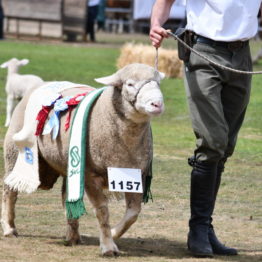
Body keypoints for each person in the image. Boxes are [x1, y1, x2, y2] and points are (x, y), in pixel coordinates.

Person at [150, 0, 262, 258]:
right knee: (212, 141)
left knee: (224, 146)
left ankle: (206, 227)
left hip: (242, 56)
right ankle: (198, 229)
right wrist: (156, 24)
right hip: (203, 51)